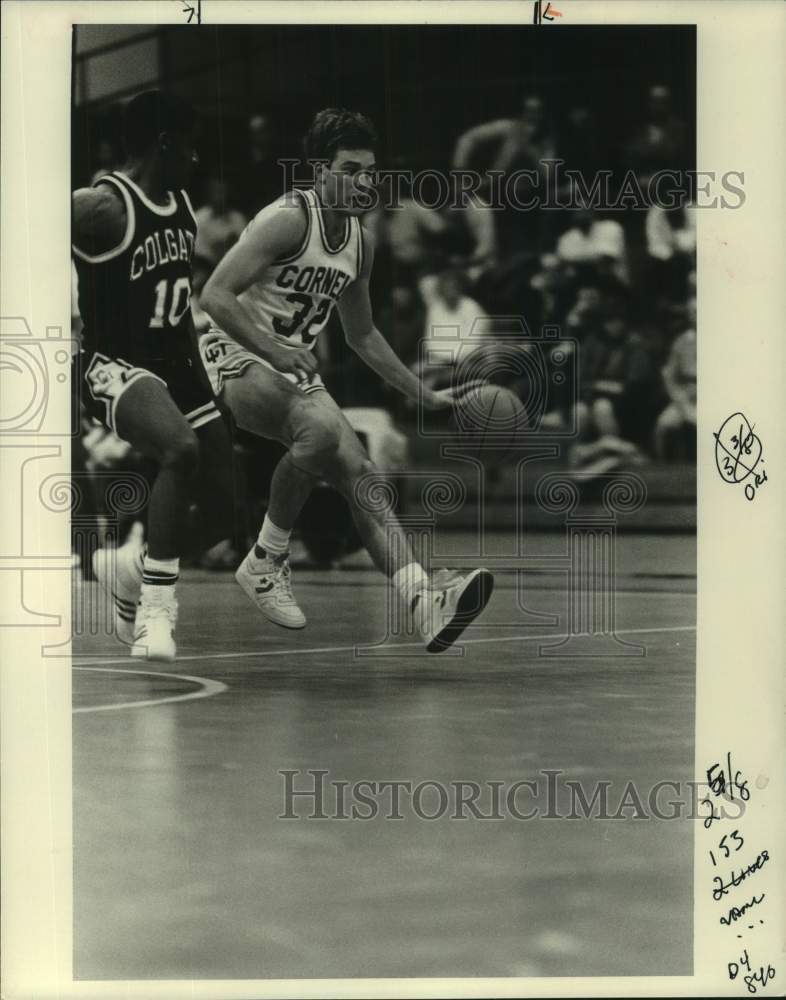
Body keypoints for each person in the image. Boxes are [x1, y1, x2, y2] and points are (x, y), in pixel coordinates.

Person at [199, 108, 494, 653]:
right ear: (320, 171)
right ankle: (265, 558)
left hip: (288, 366)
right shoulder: (288, 219)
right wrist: (275, 348)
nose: (364, 182)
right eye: (351, 170)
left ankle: (423, 601)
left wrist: (423, 393)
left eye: (370, 171)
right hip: (232, 350)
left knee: (362, 472)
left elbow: (363, 335)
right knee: (317, 430)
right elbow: (214, 294)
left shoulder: (361, 243)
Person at [72, 90, 232, 662]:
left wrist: (205, 388)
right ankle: (157, 612)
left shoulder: (182, 205)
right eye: (190, 146)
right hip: (112, 363)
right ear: (165, 143)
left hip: (173, 364)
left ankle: (129, 571)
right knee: (180, 450)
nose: (196, 158)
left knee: (227, 512)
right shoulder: (102, 206)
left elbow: (181, 306)